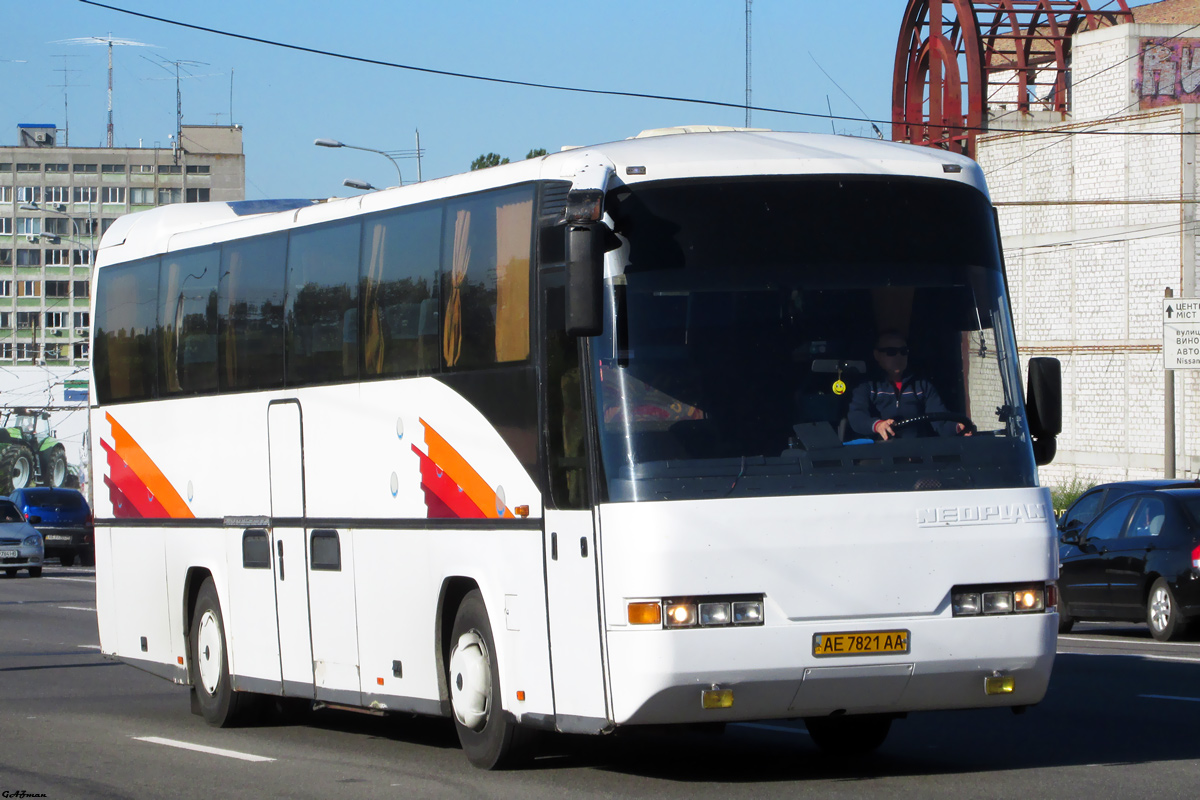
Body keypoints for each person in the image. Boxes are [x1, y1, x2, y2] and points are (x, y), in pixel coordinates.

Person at [847, 331, 969, 441]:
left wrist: (958, 427)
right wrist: (877, 425)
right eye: (891, 352)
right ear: (877, 355)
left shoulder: (922, 386)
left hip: (917, 456)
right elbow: (857, 417)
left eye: (903, 351)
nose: (899, 356)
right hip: (877, 457)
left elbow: (940, 421)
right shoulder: (866, 386)